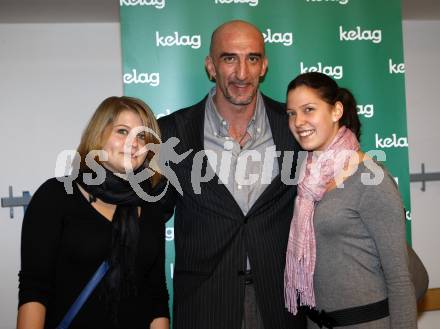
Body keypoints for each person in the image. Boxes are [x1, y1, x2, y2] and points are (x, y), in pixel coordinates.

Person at [158, 20, 306, 329]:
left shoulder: (294, 128)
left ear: (263, 66)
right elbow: (149, 217)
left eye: (252, 58)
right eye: (229, 58)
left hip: (281, 305)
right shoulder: (173, 132)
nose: (242, 73)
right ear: (210, 66)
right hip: (204, 306)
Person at [17, 96, 170, 329]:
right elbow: (34, 289)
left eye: (142, 136)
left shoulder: (151, 207)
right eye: (122, 131)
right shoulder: (56, 197)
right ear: (99, 135)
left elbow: (156, 297)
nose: (134, 143)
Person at [283, 72, 417, 328]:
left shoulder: (371, 179)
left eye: (309, 109)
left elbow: (399, 279)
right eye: (291, 113)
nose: (299, 121)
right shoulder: (305, 178)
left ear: (336, 111)